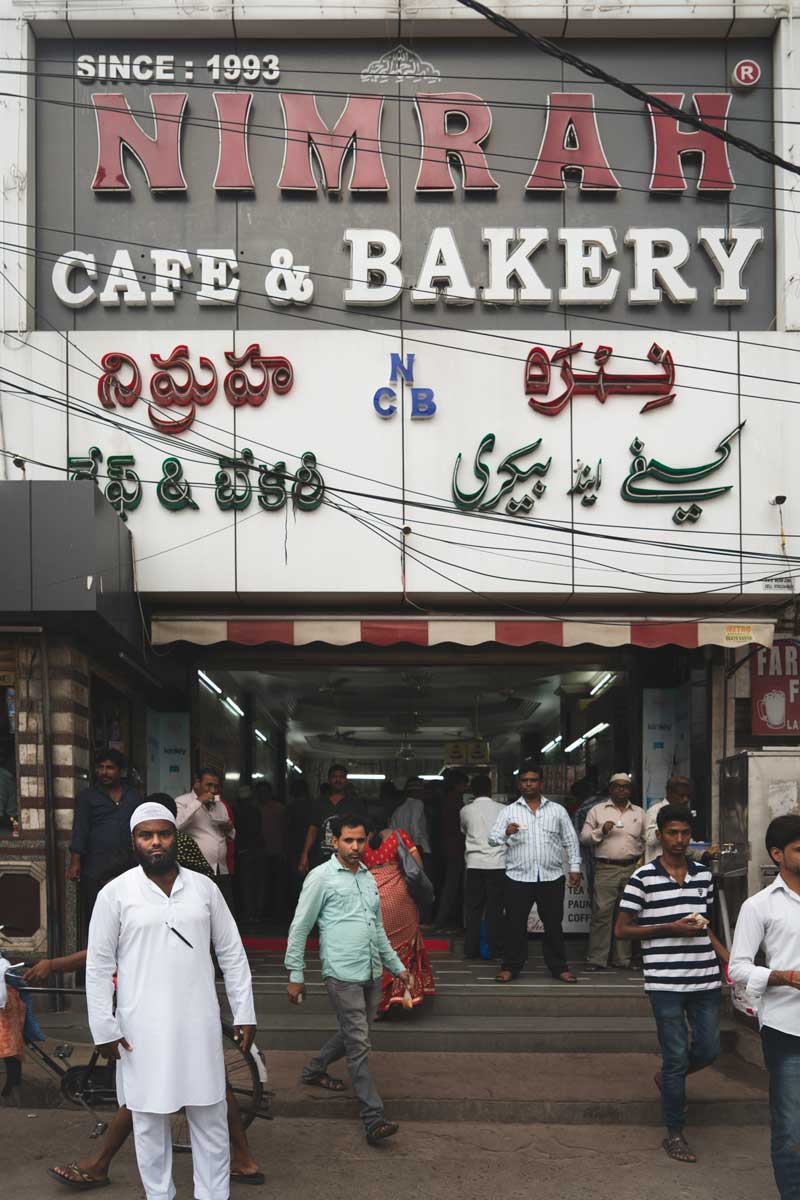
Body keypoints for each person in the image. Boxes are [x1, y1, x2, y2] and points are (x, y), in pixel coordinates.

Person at [86, 801, 256, 1200]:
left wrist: (244, 1011)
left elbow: (231, 953)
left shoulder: (204, 888)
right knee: (147, 1122)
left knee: (210, 1117)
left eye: (163, 833)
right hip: (139, 1030)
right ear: (134, 842)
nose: (156, 842)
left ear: (175, 837)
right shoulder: (115, 894)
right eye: (146, 835)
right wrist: (103, 1028)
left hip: (198, 1024)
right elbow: (97, 967)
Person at [285, 813, 410, 1144]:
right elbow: (300, 927)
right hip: (341, 973)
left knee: (356, 1032)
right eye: (348, 841)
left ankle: (314, 1069)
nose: (355, 847)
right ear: (335, 842)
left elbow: (377, 929)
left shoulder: (369, 877)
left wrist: (397, 966)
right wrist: (296, 974)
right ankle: (374, 1118)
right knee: (359, 1042)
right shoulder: (321, 877)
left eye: (360, 840)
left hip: (371, 970)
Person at [616, 803, 723, 1164]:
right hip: (664, 983)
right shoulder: (642, 878)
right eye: (672, 833)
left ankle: (668, 1080)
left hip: (705, 978)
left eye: (685, 834)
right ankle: (675, 1133)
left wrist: (729, 962)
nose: (679, 840)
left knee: (709, 1049)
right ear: (659, 836)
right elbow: (622, 929)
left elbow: (707, 926)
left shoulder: (704, 876)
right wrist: (668, 928)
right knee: (676, 1057)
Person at [729, 814, 800, 1199]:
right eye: (799, 849)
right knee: (791, 1126)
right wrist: (782, 977)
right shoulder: (759, 906)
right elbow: (737, 968)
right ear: (778, 854)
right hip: (786, 1028)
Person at [490, 762, 581, 984]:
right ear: (519, 784)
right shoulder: (509, 811)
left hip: (551, 876)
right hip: (517, 876)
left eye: (533, 780)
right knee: (515, 924)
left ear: (541, 782)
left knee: (553, 924)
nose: (528, 784)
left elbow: (571, 840)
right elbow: (492, 840)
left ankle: (559, 967)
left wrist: (575, 868)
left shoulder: (557, 811)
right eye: (524, 780)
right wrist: (506, 832)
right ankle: (510, 966)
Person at [68, 749, 141, 940]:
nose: (104, 772)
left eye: (110, 768)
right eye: (100, 767)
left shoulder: (133, 796)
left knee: (129, 916)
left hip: (128, 865)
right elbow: (80, 829)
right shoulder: (87, 797)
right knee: (98, 916)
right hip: (96, 867)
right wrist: (75, 862)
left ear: (120, 771)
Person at [361, 824, 435, 1013]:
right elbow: (417, 866)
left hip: (372, 900)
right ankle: (402, 996)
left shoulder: (358, 843)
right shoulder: (398, 835)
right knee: (403, 948)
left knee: (378, 951)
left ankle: (377, 1003)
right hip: (399, 900)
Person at [580, 772, 645, 971]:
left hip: (632, 868)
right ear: (610, 789)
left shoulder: (640, 813)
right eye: (617, 786)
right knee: (602, 914)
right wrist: (601, 831)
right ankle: (596, 959)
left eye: (625, 786)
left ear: (630, 790)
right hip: (606, 868)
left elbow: (647, 840)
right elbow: (583, 838)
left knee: (628, 915)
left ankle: (622, 959)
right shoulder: (597, 811)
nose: (621, 789)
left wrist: (641, 861)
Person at [176, 768, 237, 912]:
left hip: (220, 870)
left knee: (225, 912)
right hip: (196, 870)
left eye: (216, 786)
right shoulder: (182, 802)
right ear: (197, 783)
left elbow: (232, 835)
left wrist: (229, 828)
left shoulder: (220, 805)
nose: (213, 790)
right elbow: (177, 825)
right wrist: (198, 802)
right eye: (208, 785)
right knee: (200, 911)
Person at [460, 773, 506, 960]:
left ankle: (471, 950)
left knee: (473, 909)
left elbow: (463, 830)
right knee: (495, 909)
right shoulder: (503, 809)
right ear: (490, 789)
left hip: (474, 864)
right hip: (497, 864)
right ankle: (494, 949)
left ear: (473, 790)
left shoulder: (465, 810)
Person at [298, 763, 365, 875]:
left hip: (348, 859)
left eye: (341, 777)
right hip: (322, 859)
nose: (338, 780)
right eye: (335, 777)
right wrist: (304, 853)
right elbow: (313, 829)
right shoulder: (319, 803)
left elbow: (365, 832)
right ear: (329, 780)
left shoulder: (355, 804)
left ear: (346, 780)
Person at [644, 777, 720, 864]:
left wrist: (704, 853)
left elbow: (685, 844)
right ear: (669, 792)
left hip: (678, 868)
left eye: (688, 796)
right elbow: (650, 840)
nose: (686, 800)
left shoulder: (684, 812)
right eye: (682, 795)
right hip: (657, 870)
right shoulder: (655, 810)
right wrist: (666, 819)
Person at [433, 768, 469, 930]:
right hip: (455, 847)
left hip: (448, 846)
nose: (466, 788)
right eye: (464, 784)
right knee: (453, 885)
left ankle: (446, 920)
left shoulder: (446, 800)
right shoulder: (454, 801)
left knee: (451, 884)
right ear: (458, 785)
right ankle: (442, 921)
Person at [257, 781, 288, 922]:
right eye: (260, 792)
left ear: (270, 793)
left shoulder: (279, 809)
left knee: (278, 885)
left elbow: (286, 830)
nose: (262, 795)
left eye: (265, 791)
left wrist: (284, 849)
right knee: (262, 884)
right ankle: (263, 912)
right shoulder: (255, 808)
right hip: (260, 852)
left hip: (277, 851)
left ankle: (278, 913)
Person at [389, 778, 431, 871]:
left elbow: (392, 832)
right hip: (417, 849)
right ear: (417, 791)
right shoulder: (418, 804)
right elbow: (414, 825)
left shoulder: (398, 810)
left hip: (402, 851)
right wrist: (417, 846)